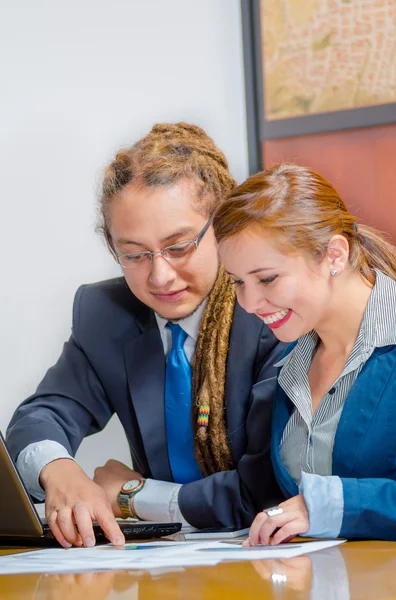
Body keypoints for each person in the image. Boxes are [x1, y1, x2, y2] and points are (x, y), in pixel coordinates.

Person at [6, 123, 284, 549]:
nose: (159, 275)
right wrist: (59, 470)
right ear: (110, 244)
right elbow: (42, 415)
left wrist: (134, 497)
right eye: (133, 254)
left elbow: (266, 486)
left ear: (223, 224)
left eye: (178, 246)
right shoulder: (105, 315)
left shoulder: (273, 311)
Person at [213, 162, 396, 544]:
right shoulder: (290, 363)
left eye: (267, 278)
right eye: (238, 282)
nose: (249, 303)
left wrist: (330, 505)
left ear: (334, 255)